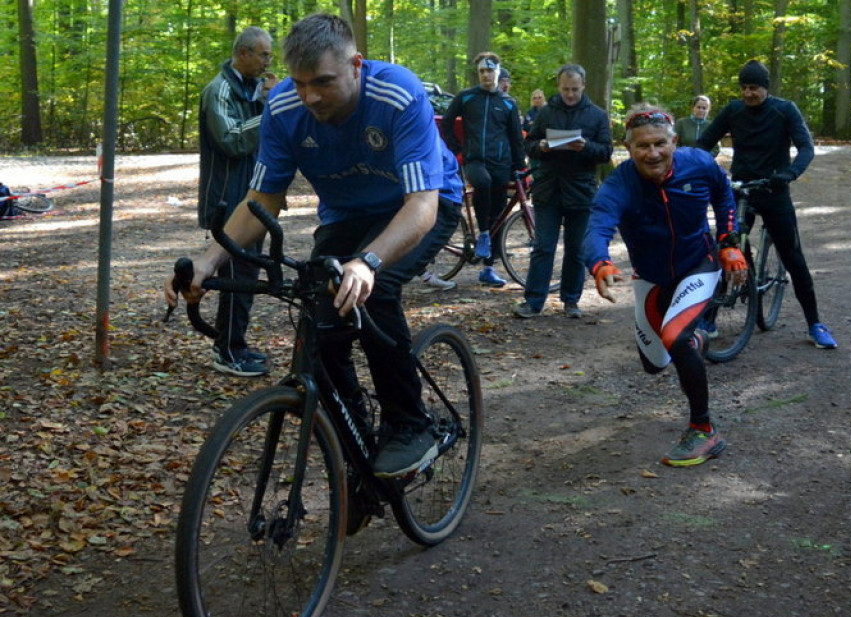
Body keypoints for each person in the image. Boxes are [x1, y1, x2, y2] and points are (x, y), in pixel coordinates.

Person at [165, 13, 464, 478]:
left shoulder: (398, 95)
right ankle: (358, 451)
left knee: (374, 290)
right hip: (347, 214)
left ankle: (409, 425)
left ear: (356, 65)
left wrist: (368, 262)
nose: (311, 97)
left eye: (323, 82)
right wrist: (209, 260)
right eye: (301, 83)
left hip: (423, 202)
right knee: (319, 324)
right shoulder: (284, 107)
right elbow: (261, 199)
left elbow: (421, 205)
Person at [583, 105, 744, 467]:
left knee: (675, 337)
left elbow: (723, 193)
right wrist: (599, 262)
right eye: (642, 146)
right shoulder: (620, 183)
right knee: (655, 363)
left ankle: (704, 430)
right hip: (651, 276)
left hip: (698, 264)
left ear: (674, 141)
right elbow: (596, 227)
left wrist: (728, 240)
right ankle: (698, 340)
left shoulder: (699, 162)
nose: (652, 153)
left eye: (660, 144)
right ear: (628, 147)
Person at [697, 59, 837, 349]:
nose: (748, 94)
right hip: (739, 189)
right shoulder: (734, 110)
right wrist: (701, 167)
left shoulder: (784, 110)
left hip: (774, 190)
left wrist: (788, 174)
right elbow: (704, 142)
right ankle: (709, 319)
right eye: (744, 88)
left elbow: (806, 148)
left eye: (754, 88)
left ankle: (815, 324)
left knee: (793, 257)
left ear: (766, 88)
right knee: (725, 250)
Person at [198, 27, 279, 377]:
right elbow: (231, 140)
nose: (268, 62)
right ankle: (227, 350)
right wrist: (268, 107)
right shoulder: (218, 91)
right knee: (235, 274)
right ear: (242, 53)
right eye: (263, 54)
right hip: (227, 201)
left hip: (253, 198)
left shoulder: (250, 88)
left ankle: (235, 343)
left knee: (247, 271)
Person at [516, 64, 612, 318]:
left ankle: (571, 300)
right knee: (543, 247)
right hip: (549, 188)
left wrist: (586, 146)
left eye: (575, 89)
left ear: (584, 87)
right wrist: (542, 147)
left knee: (576, 249)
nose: (570, 94)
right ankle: (533, 301)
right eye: (565, 89)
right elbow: (529, 144)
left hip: (581, 190)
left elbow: (605, 152)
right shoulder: (546, 112)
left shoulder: (597, 115)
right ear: (558, 87)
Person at [440, 52, 525, 287]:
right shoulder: (466, 97)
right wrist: (457, 150)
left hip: (502, 164)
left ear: (498, 72)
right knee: (482, 183)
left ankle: (488, 268)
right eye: (482, 71)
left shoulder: (508, 102)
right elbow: (446, 123)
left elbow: (516, 139)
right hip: (475, 161)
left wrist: (520, 168)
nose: (486, 75)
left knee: (499, 214)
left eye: (490, 70)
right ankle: (484, 234)